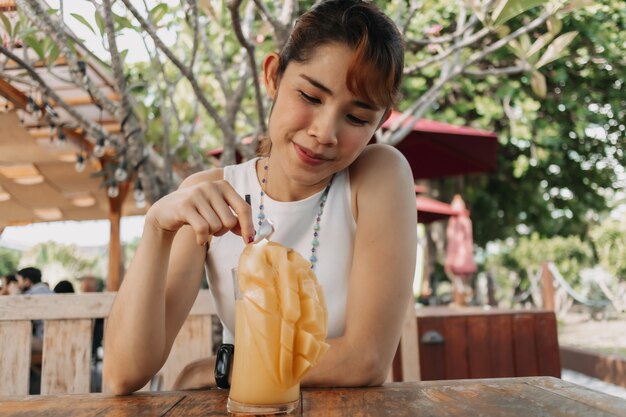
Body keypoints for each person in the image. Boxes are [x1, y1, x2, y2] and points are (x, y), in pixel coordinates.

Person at [104, 0, 417, 395]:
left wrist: (224, 368)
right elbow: (123, 374)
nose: (325, 132)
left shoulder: (378, 176)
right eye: (310, 96)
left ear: (380, 122)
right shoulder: (212, 195)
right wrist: (156, 228)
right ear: (273, 76)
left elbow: (364, 360)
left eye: (356, 118)